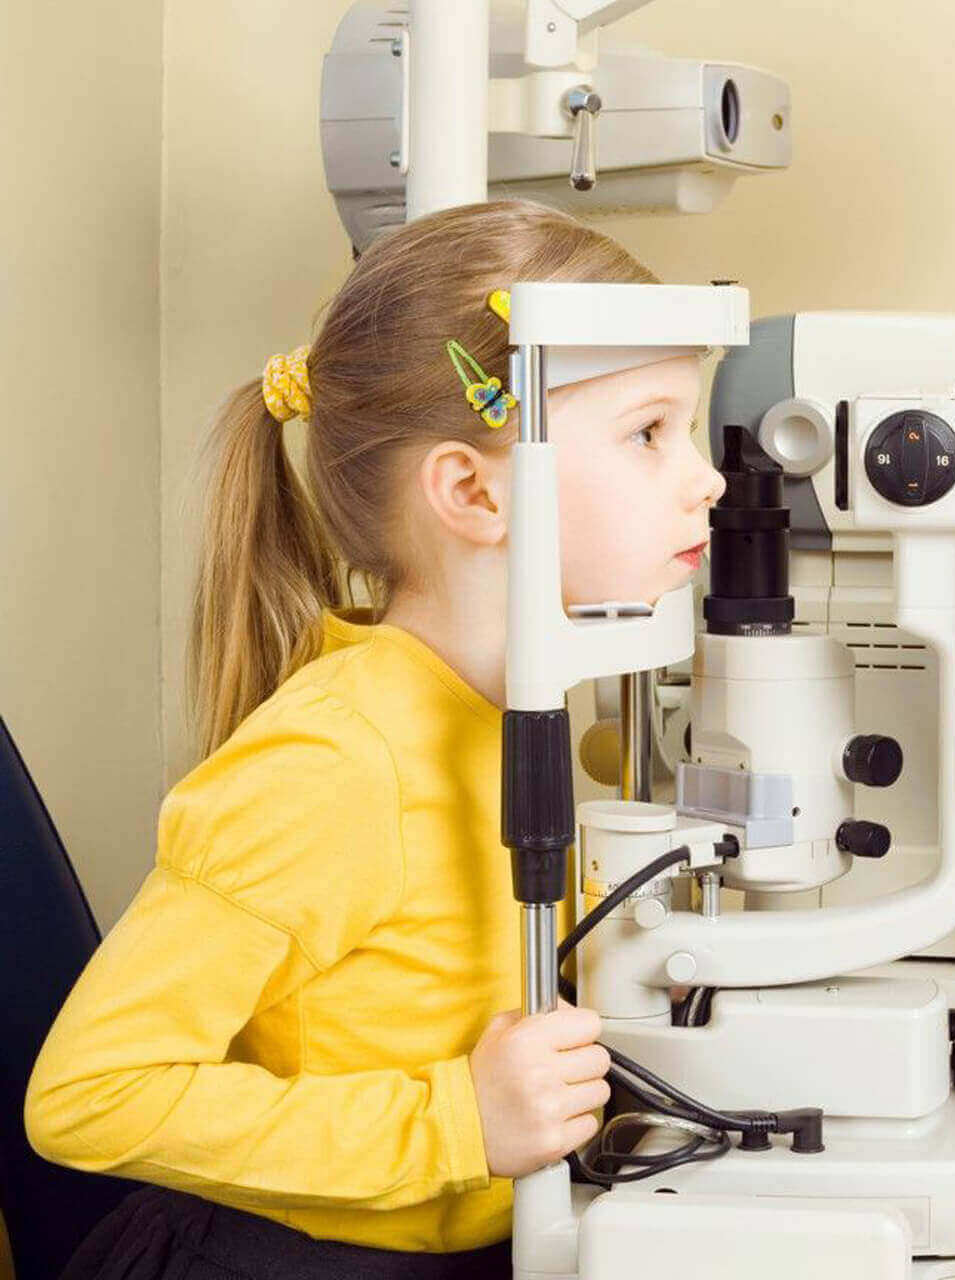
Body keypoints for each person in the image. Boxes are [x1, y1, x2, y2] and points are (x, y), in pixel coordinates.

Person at [25, 200, 725, 1278]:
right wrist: (456, 1121)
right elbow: (88, 1093)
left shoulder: (514, 707)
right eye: (648, 431)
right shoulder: (335, 761)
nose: (706, 475)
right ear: (474, 491)